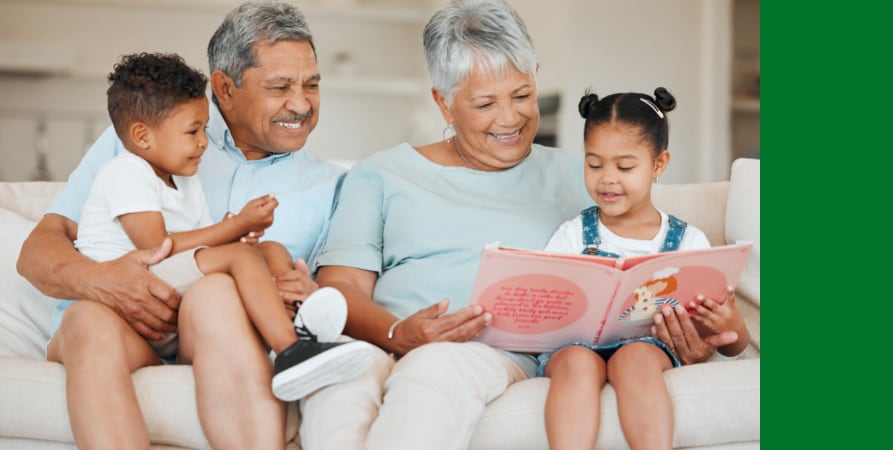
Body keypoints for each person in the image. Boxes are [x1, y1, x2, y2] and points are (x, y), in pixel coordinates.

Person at [312, 1, 737, 448]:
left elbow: (641, 270)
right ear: (443, 102)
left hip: (487, 355)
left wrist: (685, 335)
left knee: (434, 368)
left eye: (521, 95)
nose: (510, 118)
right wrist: (397, 333)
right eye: (484, 103)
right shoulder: (380, 174)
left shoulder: (586, 179)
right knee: (336, 389)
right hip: (381, 339)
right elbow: (340, 286)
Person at [16, 2, 351, 448]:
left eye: (311, 85)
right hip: (118, 331)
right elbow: (37, 251)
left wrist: (310, 293)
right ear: (224, 89)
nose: (301, 103)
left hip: (217, 331)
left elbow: (343, 295)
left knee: (216, 291)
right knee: (86, 320)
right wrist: (103, 281)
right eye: (280, 86)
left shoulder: (335, 186)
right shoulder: (146, 141)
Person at [70, 51, 375, 406]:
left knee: (271, 250)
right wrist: (236, 228)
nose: (203, 142)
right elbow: (157, 246)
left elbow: (203, 241)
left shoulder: (184, 180)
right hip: (138, 288)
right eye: (192, 131)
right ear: (143, 136)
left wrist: (237, 231)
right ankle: (290, 351)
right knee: (241, 259)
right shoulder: (126, 173)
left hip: (167, 277)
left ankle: (294, 318)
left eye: (204, 129)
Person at [536, 88, 751, 450]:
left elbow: (733, 345)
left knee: (634, 358)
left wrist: (728, 324)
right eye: (594, 164)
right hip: (575, 346)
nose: (607, 178)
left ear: (658, 164)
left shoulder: (688, 242)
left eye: (624, 166)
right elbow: (547, 306)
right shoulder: (571, 234)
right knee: (575, 361)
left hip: (648, 347)